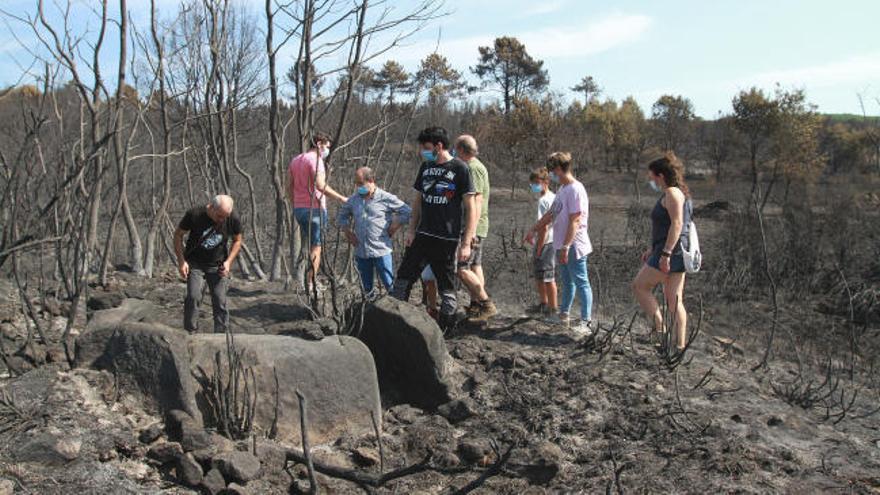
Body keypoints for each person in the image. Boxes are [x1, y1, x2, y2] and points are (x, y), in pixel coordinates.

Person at [390, 126, 477, 331]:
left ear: (439, 146)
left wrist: (466, 243)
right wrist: (411, 230)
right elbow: (418, 201)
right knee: (403, 277)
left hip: (447, 238)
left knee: (446, 285)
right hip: (423, 234)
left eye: (427, 147)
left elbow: (471, 208)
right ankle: (393, 321)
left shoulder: (460, 168)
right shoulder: (426, 167)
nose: (423, 151)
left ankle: (447, 328)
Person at [525, 152, 594, 335]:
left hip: (573, 246)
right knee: (567, 281)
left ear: (558, 169)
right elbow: (550, 215)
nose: (551, 175)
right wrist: (533, 229)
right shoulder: (563, 190)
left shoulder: (575, 189)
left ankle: (586, 322)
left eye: (552, 171)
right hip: (559, 245)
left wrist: (566, 246)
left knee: (581, 282)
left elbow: (575, 220)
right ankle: (563, 315)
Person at [631, 152, 693, 351]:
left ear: (661, 175)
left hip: (671, 253)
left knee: (640, 286)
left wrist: (665, 254)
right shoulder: (677, 192)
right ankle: (679, 345)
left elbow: (677, 225)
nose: (650, 180)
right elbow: (666, 225)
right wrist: (653, 248)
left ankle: (660, 330)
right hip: (670, 250)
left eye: (652, 176)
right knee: (674, 299)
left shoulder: (673, 194)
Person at [174, 194, 243, 334]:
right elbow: (178, 235)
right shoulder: (194, 214)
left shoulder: (232, 218)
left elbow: (237, 240)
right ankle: (190, 333)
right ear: (211, 208)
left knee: (220, 300)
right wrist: (182, 261)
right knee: (193, 297)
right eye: (219, 216)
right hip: (195, 263)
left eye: (225, 216)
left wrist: (229, 262)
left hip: (218, 265)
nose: (222, 220)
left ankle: (221, 336)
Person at [287, 132, 348, 289]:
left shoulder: (296, 160)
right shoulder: (316, 160)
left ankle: (307, 281)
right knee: (316, 247)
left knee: (309, 245)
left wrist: (295, 204)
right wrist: (341, 198)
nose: (327, 150)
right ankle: (311, 283)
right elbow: (320, 185)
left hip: (299, 210)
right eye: (327, 146)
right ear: (319, 144)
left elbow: (288, 186)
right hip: (314, 209)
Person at [337, 167, 411, 294]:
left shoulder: (385, 198)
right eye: (356, 183)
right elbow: (342, 216)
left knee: (390, 285)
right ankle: (368, 311)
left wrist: (396, 224)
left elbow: (408, 212)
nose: (358, 186)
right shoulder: (353, 200)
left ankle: (396, 310)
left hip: (381, 249)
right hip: (362, 251)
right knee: (367, 289)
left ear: (371, 181)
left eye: (360, 183)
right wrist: (348, 233)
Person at [454, 135, 497, 322]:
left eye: (456, 149)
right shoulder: (473, 166)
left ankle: (486, 303)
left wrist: (470, 233)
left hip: (473, 227)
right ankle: (476, 305)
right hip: (475, 226)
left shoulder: (473, 168)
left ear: (462, 150)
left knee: (461, 267)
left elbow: (476, 201)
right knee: (475, 265)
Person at [523, 168, 557, 317]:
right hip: (549, 241)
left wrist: (539, 248)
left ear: (546, 182)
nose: (534, 186)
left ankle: (552, 309)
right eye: (532, 183)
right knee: (540, 275)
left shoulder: (544, 201)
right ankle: (544, 304)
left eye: (537, 183)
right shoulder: (553, 197)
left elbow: (544, 227)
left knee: (548, 277)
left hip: (547, 243)